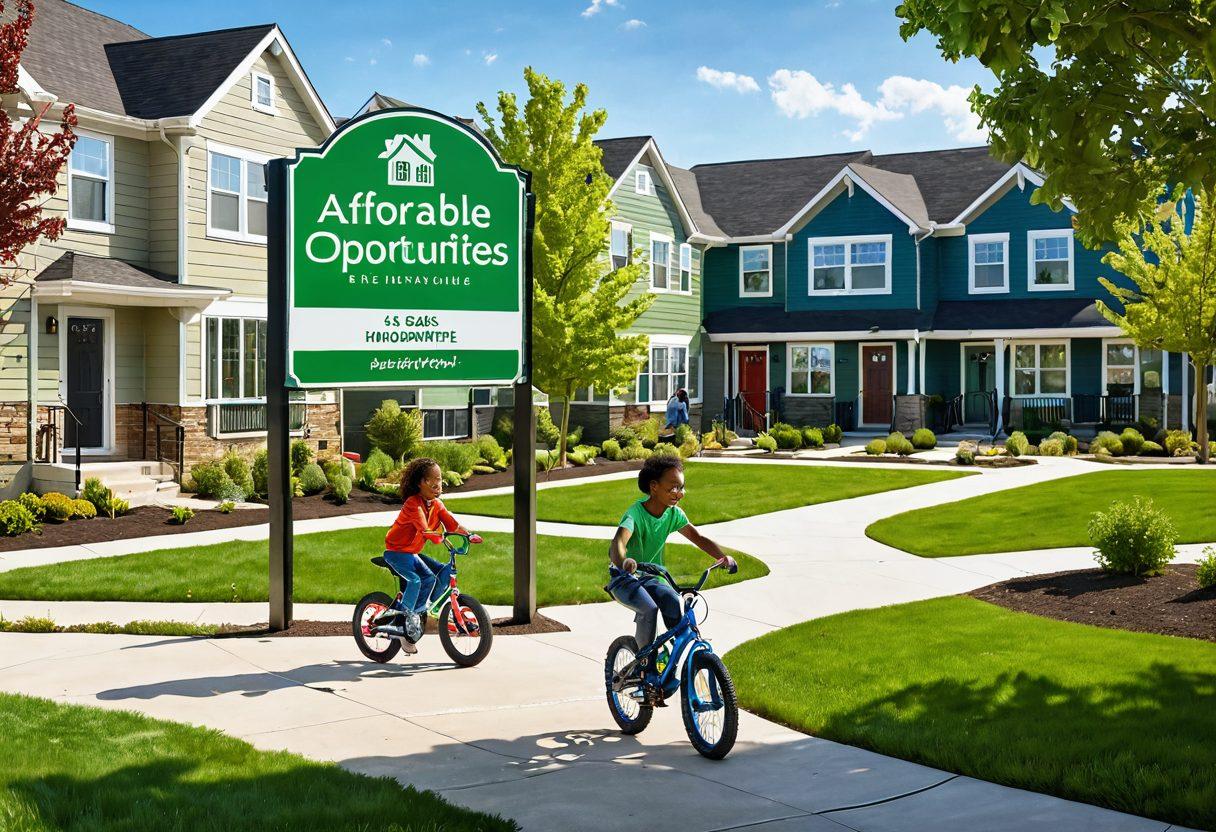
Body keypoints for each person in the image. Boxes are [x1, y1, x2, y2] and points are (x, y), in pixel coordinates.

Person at [607, 455, 735, 704]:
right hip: (625, 577)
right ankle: (644, 670)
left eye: (681, 487)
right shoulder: (636, 513)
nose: (679, 493)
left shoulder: (673, 514)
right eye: (673, 487)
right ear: (654, 487)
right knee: (649, 609)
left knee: (675, 606)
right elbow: (618, 543)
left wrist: (722, 558)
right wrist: (624, 562)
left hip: (652, 577)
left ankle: (670, 661)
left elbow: (698, 538)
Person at [383, 457, 481, 653]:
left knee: (437, 575)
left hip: (411, 553)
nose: (438, 484)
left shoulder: (437, 504)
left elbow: (452, 524)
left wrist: (469, 534)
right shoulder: (413, 503)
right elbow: (424, 528)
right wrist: (436, 535)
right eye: (433, 480)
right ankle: (404, 622)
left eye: (440, 478)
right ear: (421, 482)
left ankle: (421, 615)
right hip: (396, 551)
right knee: (417, 580)